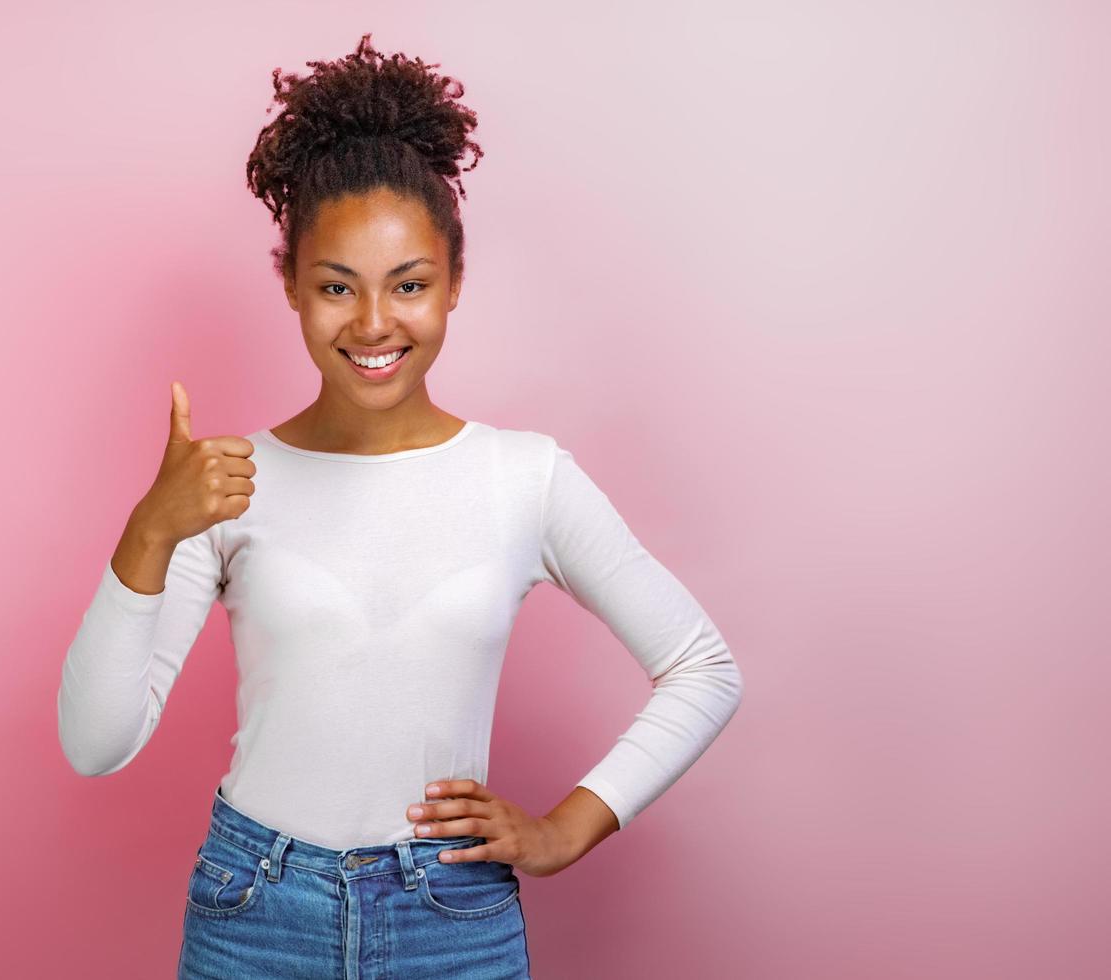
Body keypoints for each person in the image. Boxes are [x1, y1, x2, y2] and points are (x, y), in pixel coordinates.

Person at [57, 33, 744, 979]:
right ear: (292, 288)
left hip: (450, 917)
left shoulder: (524, 477)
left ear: (453, 284)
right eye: (336, 287)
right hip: (256, 910)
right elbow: (96, 744)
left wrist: (565, 831)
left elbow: (703, 666)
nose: (374, 324)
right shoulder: (224, 486)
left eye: (408, 286)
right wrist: (150, 529)